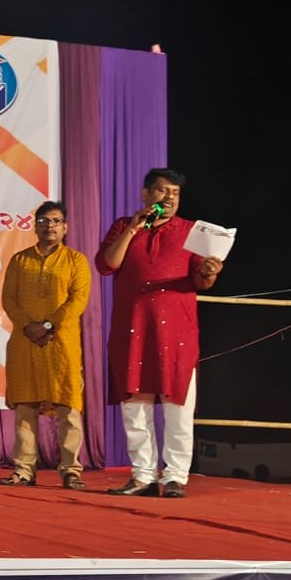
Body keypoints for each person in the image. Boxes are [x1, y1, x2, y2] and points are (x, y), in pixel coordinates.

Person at [97, 168, 223, 499]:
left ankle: (175, 477)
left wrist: (209, 271)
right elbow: (107, 265)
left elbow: (200, 280)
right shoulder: (124, 226)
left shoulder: (191, 231)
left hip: (177, 333)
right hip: (132, 330)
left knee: (178, 408)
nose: (169, 198)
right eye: (162, 191)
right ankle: (142, 475)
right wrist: (133, 229)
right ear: (146, 194)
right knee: (135, 408)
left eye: (175, 193)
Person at [0, 201, 91, 490]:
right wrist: (29, 326)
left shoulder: (76, 261)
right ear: (35, 226)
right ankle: (24, 470)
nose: (50, 225)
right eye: (44, 221)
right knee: (25, 407)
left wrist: (48, 325)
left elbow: (78, 300)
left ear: (65, 227)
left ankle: (71, 470)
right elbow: (9, 299)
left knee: (68, 407)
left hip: (61, 343)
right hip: (25, 342)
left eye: (56, 221)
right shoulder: (19, 260)